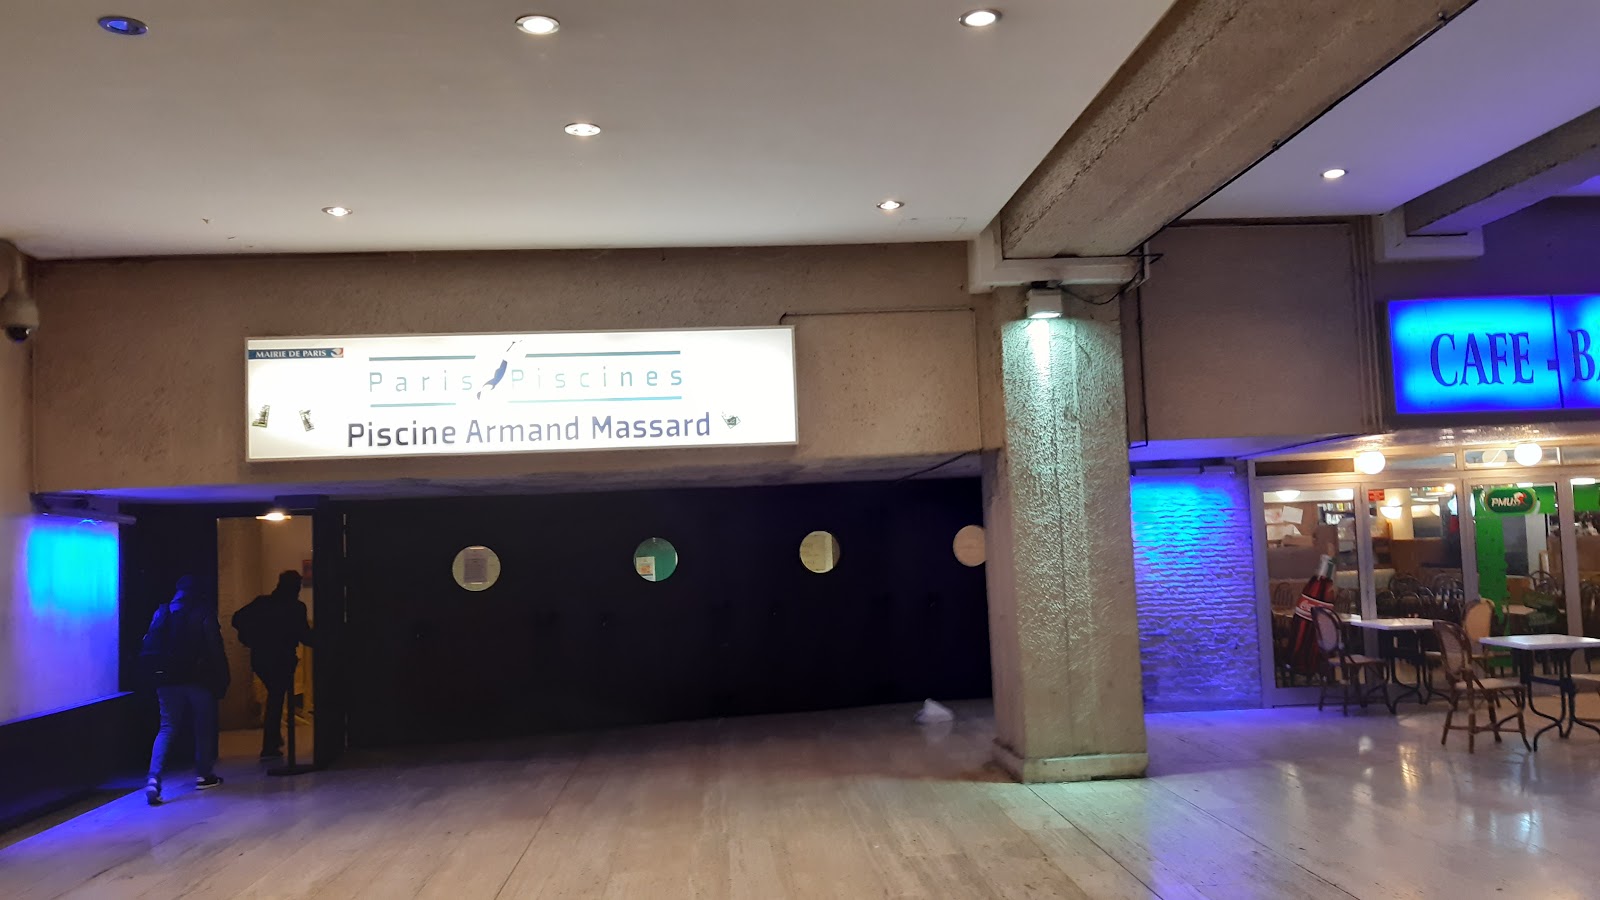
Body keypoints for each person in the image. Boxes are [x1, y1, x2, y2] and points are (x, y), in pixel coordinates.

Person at [141, 576, 229, 805]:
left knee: (167, 727)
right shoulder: (203, 613)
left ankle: (153, 778)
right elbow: (215, 648)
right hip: (198, 680)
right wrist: (223, 677)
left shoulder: (162, 612)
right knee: (203, 726)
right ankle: (204, 775)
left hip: (166, 679)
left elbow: (149, 644)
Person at [233, 570, 312, 760]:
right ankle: (270, 744)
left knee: (275, 698)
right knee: (276, 700)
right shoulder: (296, 607)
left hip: (261, 657)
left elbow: (237, 618)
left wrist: (251, 638)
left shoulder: (262, 603)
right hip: (282, 658)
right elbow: (304, 636)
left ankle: (273, 739)